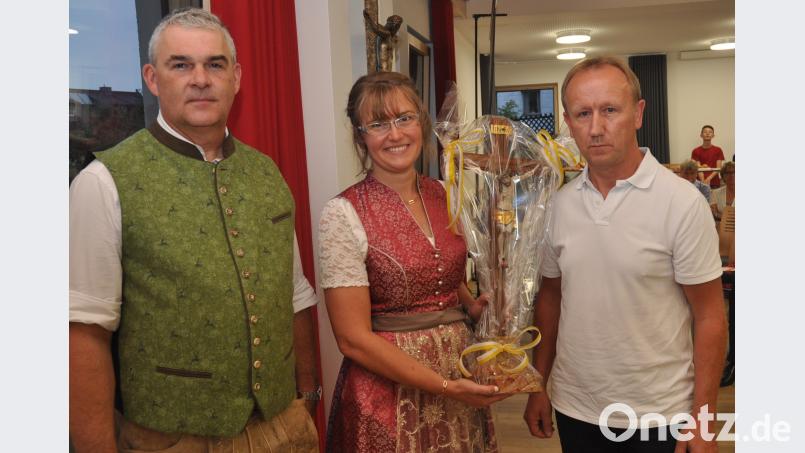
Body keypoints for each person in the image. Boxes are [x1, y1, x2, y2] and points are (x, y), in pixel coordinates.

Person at [69, 8, 320, 453]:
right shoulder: (103, 183)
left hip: (283, 427)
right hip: (169, 439)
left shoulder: (267, 173)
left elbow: (295, 293)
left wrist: (307, 393)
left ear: (236, 78)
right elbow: (84, 334)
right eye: (181, 65)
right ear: (152, 78)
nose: (200, 79)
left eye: (215, 64)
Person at [523, 57, 727, 452]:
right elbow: (550, 298)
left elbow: (710, 316)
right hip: (575, 407)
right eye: (583, 114)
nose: (596, 128)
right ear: (568, 122)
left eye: (610, 110)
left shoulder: (682, 203)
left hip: (660, 413)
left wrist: (703, 418)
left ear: (638, 113)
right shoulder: (558, 206)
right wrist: (538, 384)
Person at [318, 71, 506, 452]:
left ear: (421, 123)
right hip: (388, 398)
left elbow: (440, 271)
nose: (395, 134)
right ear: (360, 136)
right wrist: (446, 386)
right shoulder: (342, 214)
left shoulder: (445, 194)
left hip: (459, 377)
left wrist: (471, 306)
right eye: (378, 124)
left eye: (404, 118)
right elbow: (352, 339)